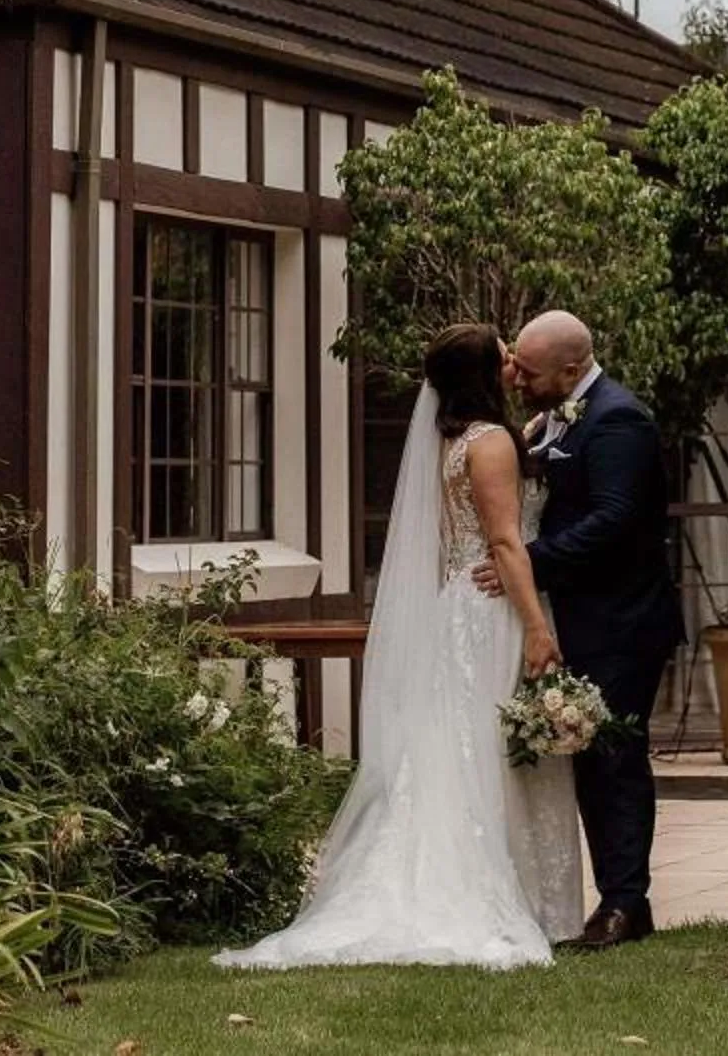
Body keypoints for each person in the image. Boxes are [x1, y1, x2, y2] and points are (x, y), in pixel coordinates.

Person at [214, 323, 583, 970]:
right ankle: (496, 897)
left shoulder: (459, 441)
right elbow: (503, 544)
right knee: (485, 754)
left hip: (461, 609)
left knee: (459, 751)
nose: (512, 363)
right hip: (492, 611)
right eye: (502, 356)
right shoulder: (491, 442)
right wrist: (536, 628)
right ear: (481, 372)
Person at [478, 309, 684, 950]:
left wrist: (527, 561)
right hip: (577, 617)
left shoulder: (618, 418)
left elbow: (616, 519)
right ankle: (617, 901)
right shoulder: (560, 415)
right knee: (590, 762)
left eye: (531, 372)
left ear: (571, 370)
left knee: (615, 761)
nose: (519, 380)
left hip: (621, 620)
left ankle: (626, 903)